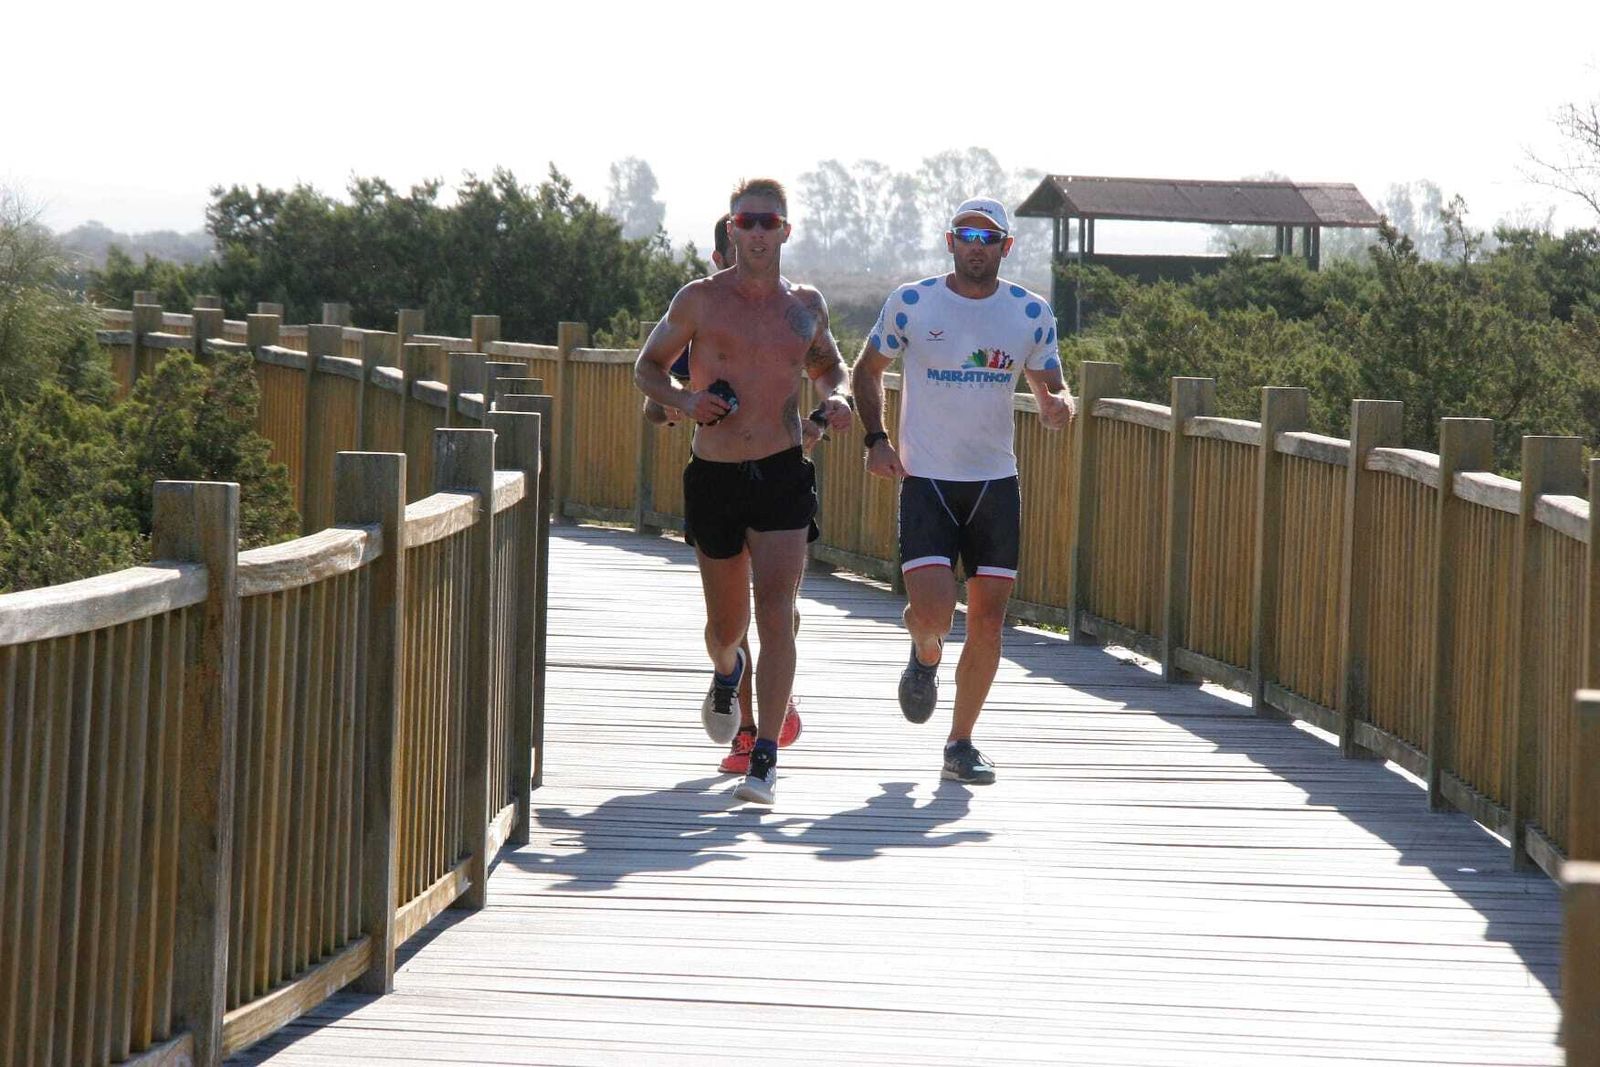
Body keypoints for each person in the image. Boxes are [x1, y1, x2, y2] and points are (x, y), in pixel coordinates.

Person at [635, 178, 852, 805]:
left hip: (783, 470)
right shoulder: (700, 300)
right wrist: (685, 401)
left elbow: (827, 364)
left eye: (770, 222)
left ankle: (764, 756)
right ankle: (726, 672)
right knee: (726, 627)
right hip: (717, 474)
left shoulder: (804, 304)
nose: (758, 233)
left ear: (786, 230)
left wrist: (833, 396)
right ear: (731, 229)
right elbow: (646, 368)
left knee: (778, 610)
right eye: (747, 222)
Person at [850, 197, 1075, 785]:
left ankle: (961, 742)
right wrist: (876, 440)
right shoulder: (913, 302)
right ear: (950, 242)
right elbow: (866, 369)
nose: (977, 244)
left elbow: (1050, 379)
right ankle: (924, 653)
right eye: (966, 234)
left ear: (1007, 246)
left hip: (994, 483)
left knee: (989, 622)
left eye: (989, 235)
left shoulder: (1029, 311)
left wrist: (1058, 404)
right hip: (925, 479)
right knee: (932, 614)